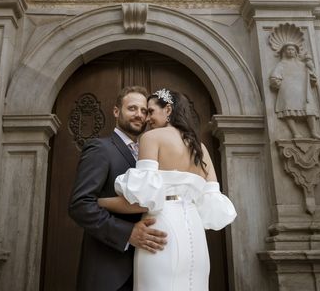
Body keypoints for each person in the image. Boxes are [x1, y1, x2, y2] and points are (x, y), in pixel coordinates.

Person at [98, 88, 237, 290]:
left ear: (168, 109)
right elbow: (212, 200)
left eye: (151, 111)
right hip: (195, 236)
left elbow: (141, 201)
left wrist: (100, 202)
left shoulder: (152, 138)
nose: (147, 119)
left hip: (161, 230)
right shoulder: (200, 147)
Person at [69, 86, 168, 291]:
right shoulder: (100, 148)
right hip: (109, 272)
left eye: (144, 110)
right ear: (116, 111)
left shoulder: (149, 154)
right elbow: (80, 205)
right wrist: (127, 233)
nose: (139, 115)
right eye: (132, 108)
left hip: (149, 268)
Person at [269, 43, 320, 139]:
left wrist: (311, 68)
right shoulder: (282, 64)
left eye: (292, 49)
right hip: (288, 91)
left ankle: (313, 131)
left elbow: (312, 79)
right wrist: (281, 85)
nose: (290, 51)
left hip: (303, 91)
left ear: (296, 52)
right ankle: (295, 133)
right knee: (289, 111)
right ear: (285, 52)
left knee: (310, 110)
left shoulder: (302, 65)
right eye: (288, 49)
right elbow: (274, 77)